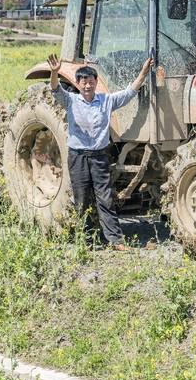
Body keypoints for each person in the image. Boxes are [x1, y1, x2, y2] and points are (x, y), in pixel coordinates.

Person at [48, 53, 152, 250]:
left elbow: (130, 92)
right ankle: (85, 240)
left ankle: (115, 240)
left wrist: (144, 71)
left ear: (96, 82)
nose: (87, 86)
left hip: (98, 158)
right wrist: (55, 73)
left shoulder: (106, 101)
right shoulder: (71, 100)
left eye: (91, 81)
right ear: (78, 84)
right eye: (83, 82)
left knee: (105, 198)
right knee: (81, 198)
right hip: (77, 157)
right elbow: (55, 89)